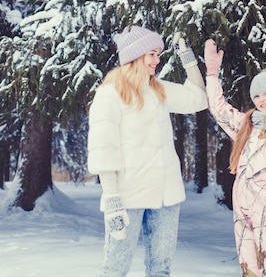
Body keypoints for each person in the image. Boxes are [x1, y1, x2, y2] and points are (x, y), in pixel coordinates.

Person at [87, 25, 208, 277]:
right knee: (114, 269)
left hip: (166, 196)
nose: (157, 60)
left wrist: (186, 57)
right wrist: (112, 198)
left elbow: (198, 98)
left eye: (159, 54)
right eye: (152, 54)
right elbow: (103, 148)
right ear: (135, 56)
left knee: (160, 269)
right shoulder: (109, 94)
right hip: (127, 196)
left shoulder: (158, 89)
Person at [203, 39, 266, 277]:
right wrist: (211, 73)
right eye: (257, 94)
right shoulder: (246, 125)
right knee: (248, 268)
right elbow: (218, 108)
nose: (261, 99)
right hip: (242, 208)